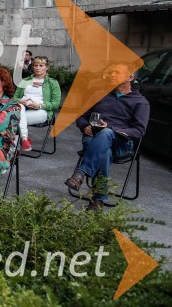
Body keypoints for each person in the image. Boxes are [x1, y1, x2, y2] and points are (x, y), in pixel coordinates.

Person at [64, 63, 149, 211]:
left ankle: (81, 173)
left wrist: (110, 129)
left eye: (116, 72)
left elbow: (139, 131)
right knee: (104, 152)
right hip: (92, 138)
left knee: (106, 133)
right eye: (111, 72)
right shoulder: (99, 94)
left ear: (130, 77)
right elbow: (81, 116)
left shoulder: (140, 102)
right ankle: (98, 201)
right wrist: (84, 126)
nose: (111, 75)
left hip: (121, 144)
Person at [13, 56, 61, 152]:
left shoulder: (52, 83)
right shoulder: (25, 81)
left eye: (41, 65)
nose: (38, 68)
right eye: (35, 65)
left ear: (47, 67)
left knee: (13, 119)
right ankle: (24, 139)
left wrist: (39, 105)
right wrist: (20, 101)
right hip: (23, 108)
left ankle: (13, 147)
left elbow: (56, 103)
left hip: (42, 111)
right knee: (19, 109)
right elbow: (14, 98)